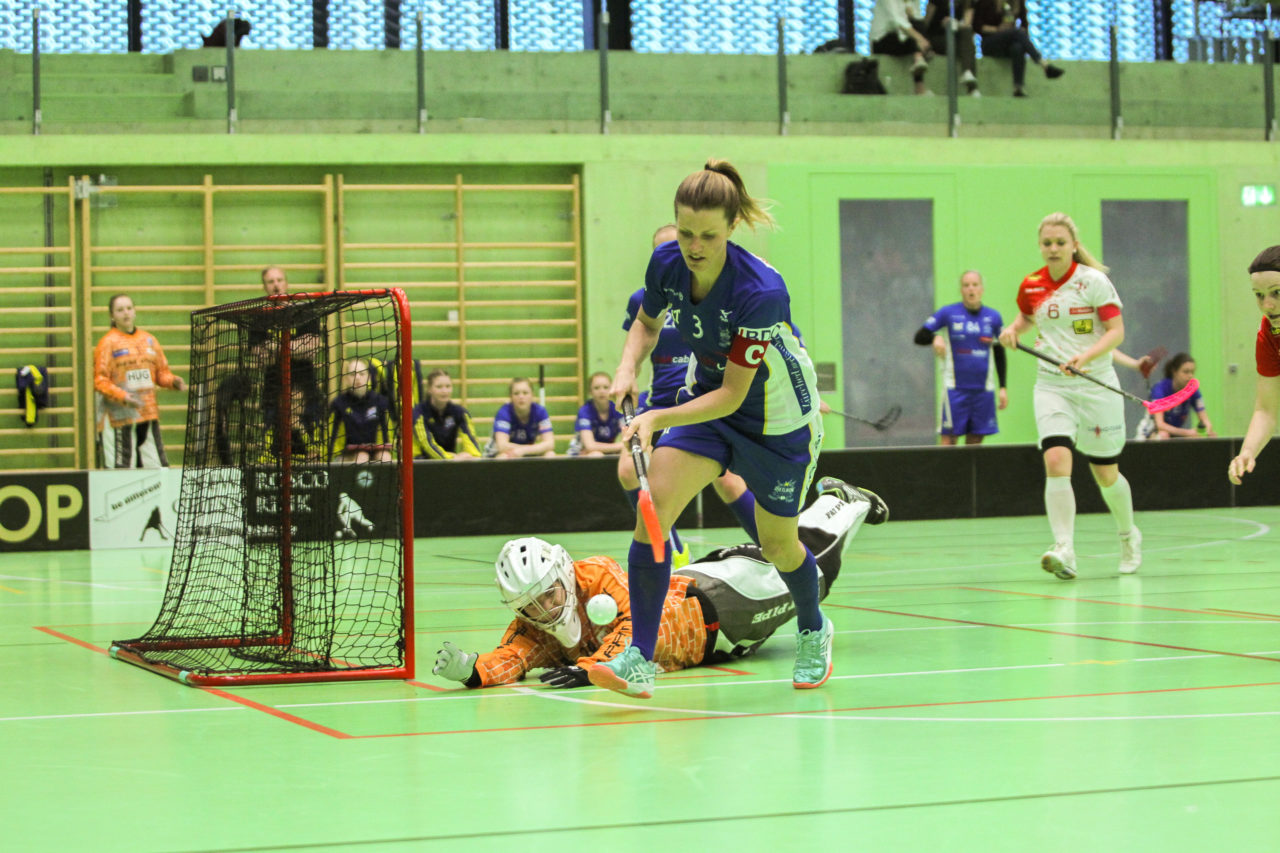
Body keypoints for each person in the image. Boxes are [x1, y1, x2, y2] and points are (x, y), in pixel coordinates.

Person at [599, 159, 828, 699]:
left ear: (731, 229)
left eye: (707, 235)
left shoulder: (760, 291)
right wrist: (628, 367)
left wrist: (656, 416)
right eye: (684, 233)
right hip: (708, 406)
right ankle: (640, 657)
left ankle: (815, 628)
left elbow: (734, 394)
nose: (694, 246)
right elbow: (647, 323)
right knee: (654, 515)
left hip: (776, 421)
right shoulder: (666, 262)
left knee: (779, 545)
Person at [430, 478, 887, 691]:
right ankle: (835, 501)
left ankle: (839, 500)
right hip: (722, 635)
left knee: (814, 568)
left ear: (563, 574)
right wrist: (471, 669)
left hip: (719, 600)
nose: (546, 610)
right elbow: (514, 656)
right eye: (532, 607)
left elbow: (635, 630)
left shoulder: (597, 576)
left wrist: (591, 667)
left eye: (549, 594)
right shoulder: (538, 628)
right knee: (795, 557)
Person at [996, 212, 1141, 579]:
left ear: (1074, 245)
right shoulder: (1031, 285)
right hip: (1051, 385)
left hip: (1094, 383)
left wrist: (1086, 356)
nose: (1054, 249)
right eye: (1047, 243)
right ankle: (1065, 549)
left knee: (1106, 473)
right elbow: (1027, 319)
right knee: (1057, 460)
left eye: (1061, 242)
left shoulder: (1094, 282)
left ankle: (1128, 535)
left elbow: (1116, 331)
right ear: (1040, 247)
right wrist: (1013, 330)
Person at [619, 224, 762, 568]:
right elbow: (639, 342)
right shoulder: (645, 299)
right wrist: (625, 372)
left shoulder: (721, 294)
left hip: (701, 400)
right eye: (661, 250)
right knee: (628, 470)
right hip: (659, 402)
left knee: (727, 482)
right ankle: (671, 550)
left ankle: (775, 550)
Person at [913, 269, 1007, 445]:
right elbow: (919, 336)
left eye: (975, 285)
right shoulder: (948, 313)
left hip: (983, 389)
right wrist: (935, 337)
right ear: (961, 290)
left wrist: (1003, 387)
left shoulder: (993, 317)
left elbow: (999, 352)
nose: (971, 289)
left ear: (982, 289)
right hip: (955, 389)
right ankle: (946, 473)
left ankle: (968, 473)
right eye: (966, 285)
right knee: (949, 438)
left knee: (976, 438)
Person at [93, 294, 187, 468]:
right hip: (119, 416)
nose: (126, 313)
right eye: (120, 310)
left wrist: (173, 381)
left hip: (147, 413)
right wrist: (123, 396)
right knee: (122, 469)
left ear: (135, 311)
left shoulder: (148, 340)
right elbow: (100, 380)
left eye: (129, 308)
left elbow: (161, 373)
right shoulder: (107, 343)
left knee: (158, 467)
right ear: (112, 316)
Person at [253, 266, 325, 456]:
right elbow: (262, 357)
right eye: (270, 282)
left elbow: (312, 348)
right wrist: (295, 346)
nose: (276, 285)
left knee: (313, 452)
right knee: (272, 454)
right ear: (265, 287)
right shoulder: (260, 318)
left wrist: (277, 346)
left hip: (307, 393)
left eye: (279, 280)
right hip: (273, 395)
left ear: (287, 283)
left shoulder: (305, 312)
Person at [1229, 246, 1280, 485]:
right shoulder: (1269, 334)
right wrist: (1248, 451)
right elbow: (1266, 411)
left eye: (1277, 293)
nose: (1266, 305)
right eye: (1259, 295)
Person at [972, 0, 1064, 97]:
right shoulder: (985, 2)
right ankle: (1044, 64)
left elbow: (1024, 27)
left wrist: (1011, 31)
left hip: (1009, 41)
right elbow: (977, 26)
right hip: (990, 42)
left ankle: (1018, 87)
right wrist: (998, 30)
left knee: (1018, 47)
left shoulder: (1018, 2)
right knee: (1017, 32)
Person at [328, 358, 392, 463]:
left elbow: (387, 437)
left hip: (374, 453)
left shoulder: (381, 402)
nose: (357, 378)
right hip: (345, 456)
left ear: (369, 377)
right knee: (362, 456)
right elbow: (331, 438)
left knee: (384, 456)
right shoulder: (338, 404)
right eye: (353, 374)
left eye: (362, 374)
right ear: (346, 379)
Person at [412, 368, 482, 460]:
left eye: (448, 386)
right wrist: (450, 457)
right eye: (439, 387)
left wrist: (472, 456)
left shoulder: (460, 413)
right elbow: (427, 444)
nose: (444, 391)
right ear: (429, 389)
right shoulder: (418, 413)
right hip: (421, 461)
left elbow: (471, 442)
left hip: (449, 462)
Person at [870, 0, 934, 96]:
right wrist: (919, 38)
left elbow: (917, 19)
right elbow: (896, 21)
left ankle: (918, 57)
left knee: (919, 25)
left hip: (903, 39)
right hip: (882, 40)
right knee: (916, 36)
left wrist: (910, 11)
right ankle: (919, 58)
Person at [1147, 353, 1215, 440]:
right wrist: (1187, 433)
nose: (1190, 376)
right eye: (1186, 372)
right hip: (1151, 434)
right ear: (1174, 372)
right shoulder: (1160, 390)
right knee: (1163, 435)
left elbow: (1205, 420)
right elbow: (1160, 425)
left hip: (1175, 434)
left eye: (1192, 372)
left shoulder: (1193, 390)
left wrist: (1208, 431)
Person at [921, 0, 980, 96]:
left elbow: (967, 23)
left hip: (954, 37)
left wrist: (955, 23)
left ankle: (968, 75)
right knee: (967, 48)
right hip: (936, 37)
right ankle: (971, 87)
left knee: (967, 35)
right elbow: (925, 24)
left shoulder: (968, 2)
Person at [489, 377, 556, 458]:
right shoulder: (504, 413)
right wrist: (525, 450)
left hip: (526, 452)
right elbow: (502, 446)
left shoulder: (540, 411)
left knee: (550, 455)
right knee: (503, 457)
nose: (521, 397)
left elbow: (550, 444)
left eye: (525, 393)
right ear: (511, 397)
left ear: (532, 395)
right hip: (502, 454)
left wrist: (523, 450)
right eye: (516, 393)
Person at [570, 371, 625, 457]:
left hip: (606, 452)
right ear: (590, 391)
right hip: (580, 454)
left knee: (626, 455)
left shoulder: (618, 409)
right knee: (596, 455)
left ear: (612, 390)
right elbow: (590, 446)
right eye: (596, 388)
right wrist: (620, 446)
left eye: (606, 387)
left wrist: (622, 447)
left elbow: (627, 438)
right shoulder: (585, 411)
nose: (601, 391)